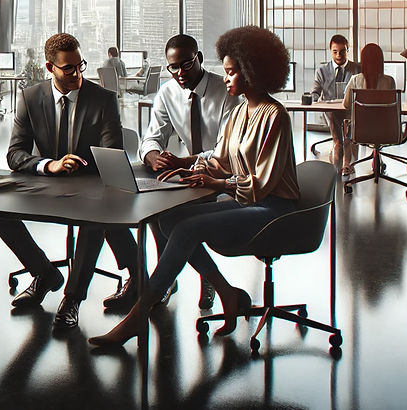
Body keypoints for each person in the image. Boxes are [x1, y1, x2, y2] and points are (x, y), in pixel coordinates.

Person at [90, 25, 299, 347]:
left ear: (252, 72)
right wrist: (193, 170)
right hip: (247, 200)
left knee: (187, 229)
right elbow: (222, 160)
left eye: (231, 73)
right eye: (226, 72)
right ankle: (228, 293)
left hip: (273, 208)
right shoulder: (241, 111)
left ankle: (138, 316)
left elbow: (262, 183)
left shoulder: (276, 115)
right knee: (169, 218)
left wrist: (215, 182)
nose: (226, 78)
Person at [0, 33, 137, 330]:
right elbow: (14, 153)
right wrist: (49, 165)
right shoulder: (31, 97)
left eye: (80, 65)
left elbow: (112, 155)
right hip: (48, 182)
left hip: (90, 185)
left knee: (96, 216)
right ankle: (45, 274)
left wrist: (81, 169)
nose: (77, 74)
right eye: (68, 68)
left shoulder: (103, 100)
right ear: (50, 68)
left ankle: (73, 298)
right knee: (0, 214)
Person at [105, 35, 240, 312]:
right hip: (189, 171)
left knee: (178, 220)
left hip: (225, 174)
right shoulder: (168, 92)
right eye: (173, 67)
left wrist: (183, 161)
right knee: (157, 210)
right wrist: (155, 157)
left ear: (199, 58)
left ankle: (206, 278)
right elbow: (151, 137)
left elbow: (225, 152)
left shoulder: (225, 91)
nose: (180, 73)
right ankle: (166, 279)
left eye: (186, 65)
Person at [310, 34, 361, 175]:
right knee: (338, 134)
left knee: (347, 137)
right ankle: (338, 161)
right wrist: (312, 98)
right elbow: (315, 92)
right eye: (335, 51)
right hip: (331, 111)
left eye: (342, 51)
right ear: (330, 50)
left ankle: (346, 165)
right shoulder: (322, 71)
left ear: (347, 50)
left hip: (350, 110)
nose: (339, 55)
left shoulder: (357, 69)